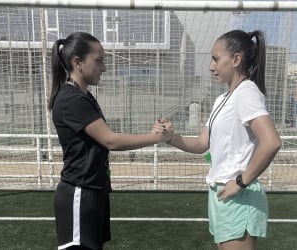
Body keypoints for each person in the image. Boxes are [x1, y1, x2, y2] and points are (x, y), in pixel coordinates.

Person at [49, 32, 172, 250]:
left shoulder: (85, 96)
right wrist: (156, 137)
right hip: (79, 193)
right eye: (99, 60)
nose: (103, 68)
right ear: (77, 62)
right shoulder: (71, 99)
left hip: (95, 191)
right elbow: (111, 141)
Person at [166, 30, 281, 250]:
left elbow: (272, 142)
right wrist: (171, 137)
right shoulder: (223, 98)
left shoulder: (246, 92)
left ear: (236, 60)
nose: (211, 66)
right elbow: (202, 144)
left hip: (239, 196)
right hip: (222, 194)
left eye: (216, 59)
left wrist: (240, 182)